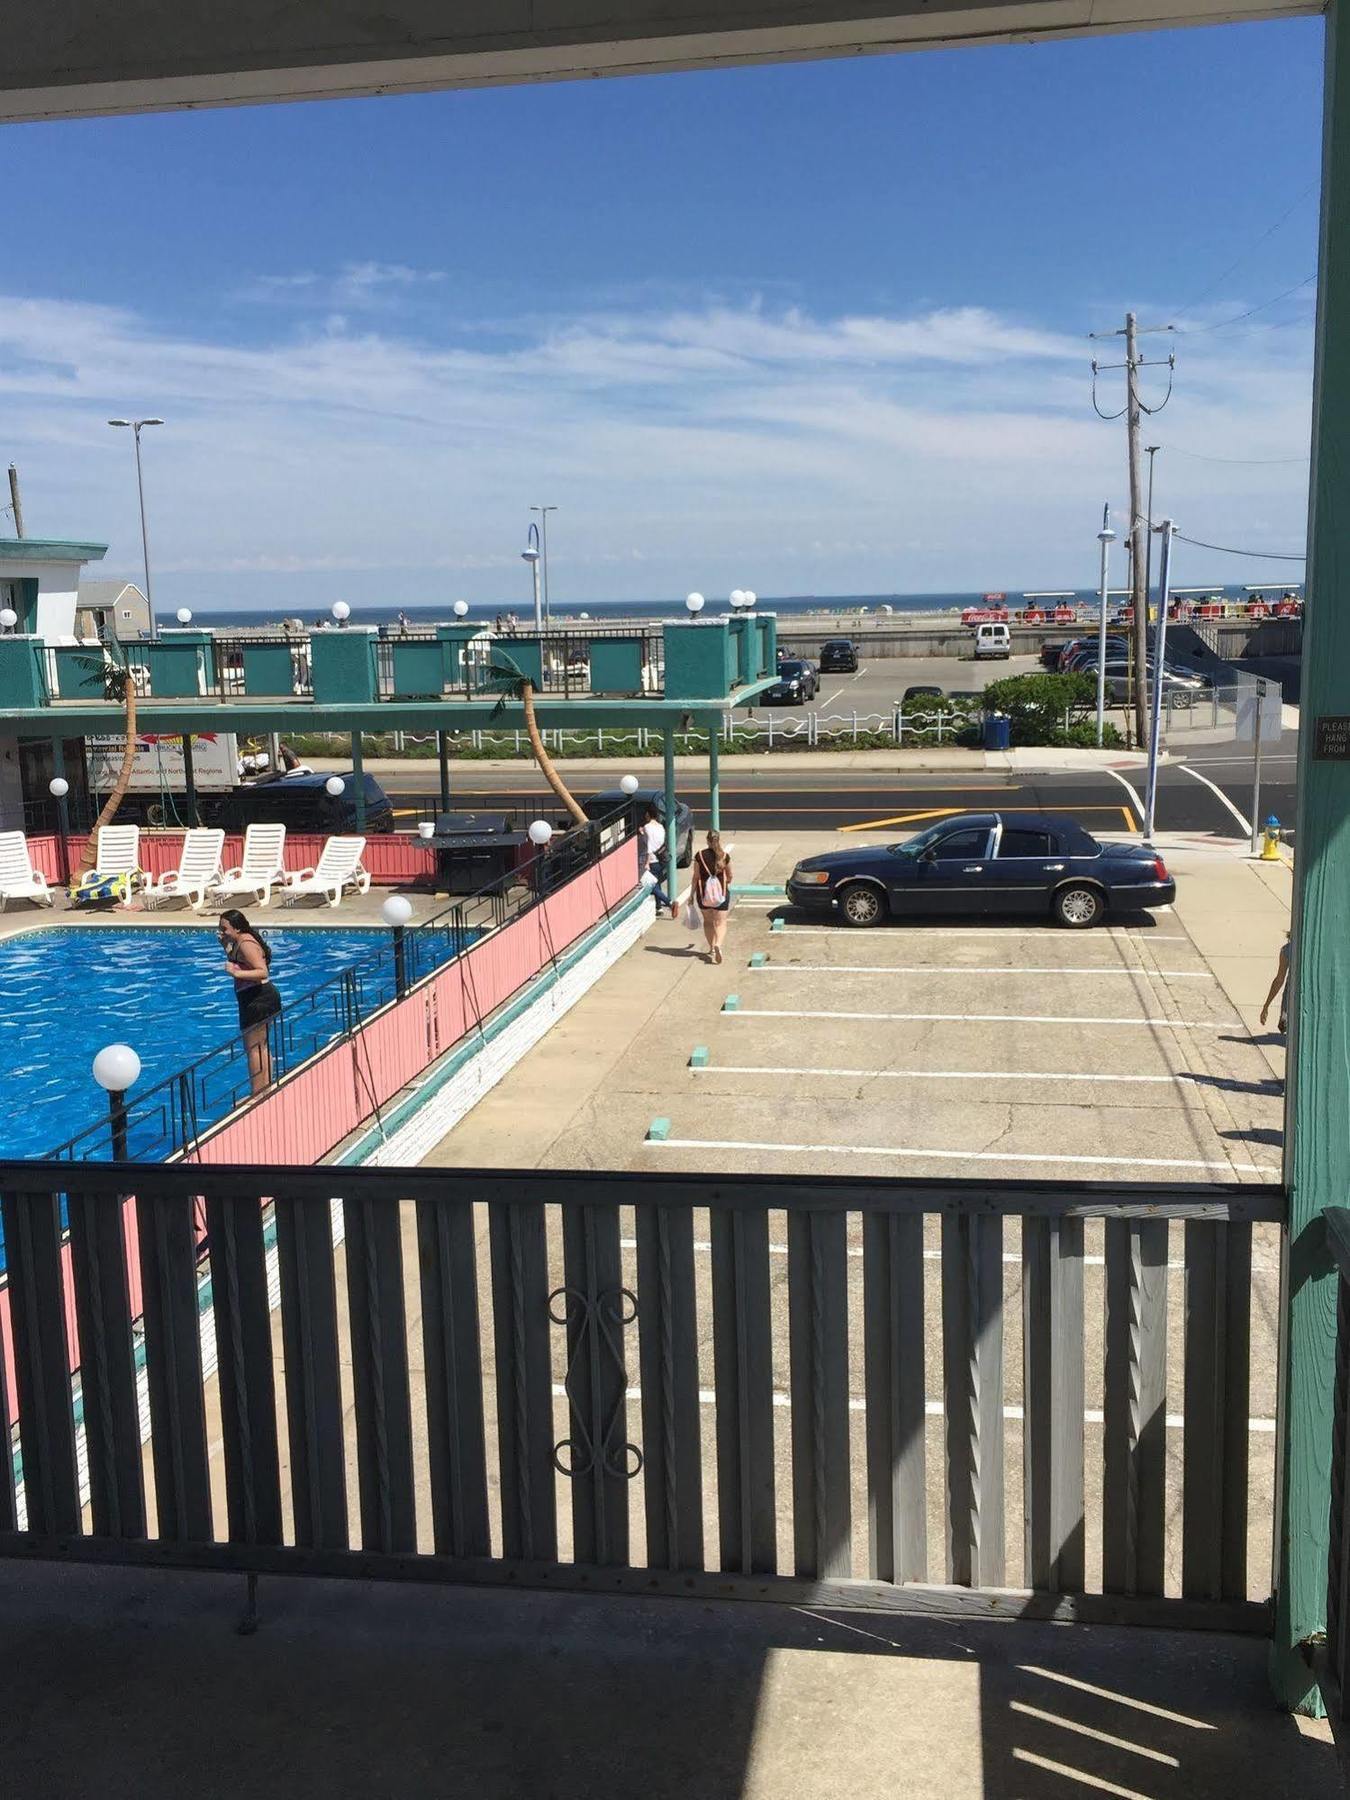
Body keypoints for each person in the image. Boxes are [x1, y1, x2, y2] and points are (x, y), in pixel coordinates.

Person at [219, 909, 284, 1094]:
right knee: (261, 1046)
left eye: (225, 929)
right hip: (256, 997)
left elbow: (262, 971)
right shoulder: (239, 941)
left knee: (254, 1048)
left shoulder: (246, 944)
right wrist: (226, 946)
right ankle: (266, 1089)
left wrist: (236, 973)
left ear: (237, 928)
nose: (221, 932)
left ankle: (257, 1094)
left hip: (258, 998)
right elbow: (239, 961)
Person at [692, 830, 733, 963]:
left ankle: (711, 947)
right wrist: (726, 882)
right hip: (721, 894)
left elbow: (696, 877)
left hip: (703, 894)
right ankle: (718, 945)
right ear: (718, 840)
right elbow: (730, 875)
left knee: (708, 922)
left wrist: (691, 895)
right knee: (720, 923)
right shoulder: (724, 856)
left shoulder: (699, 856)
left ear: (707, 840)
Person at [639, 802, 677, 917]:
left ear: (648, 814)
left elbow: (649, 846)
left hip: (652, 860)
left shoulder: (647, 827)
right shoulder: (661, 827)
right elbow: (657, 841)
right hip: (662, 859)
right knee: (656, 882)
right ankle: (659, 907)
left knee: (651, 885)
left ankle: (669, 903)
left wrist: (646, 863)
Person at [1260, 934, 1292, 1035]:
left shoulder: (1287, 950)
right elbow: (1279, 980)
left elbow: (1279, 980)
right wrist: (1266, 1006)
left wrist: (1266, 1006)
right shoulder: (1287, 951)